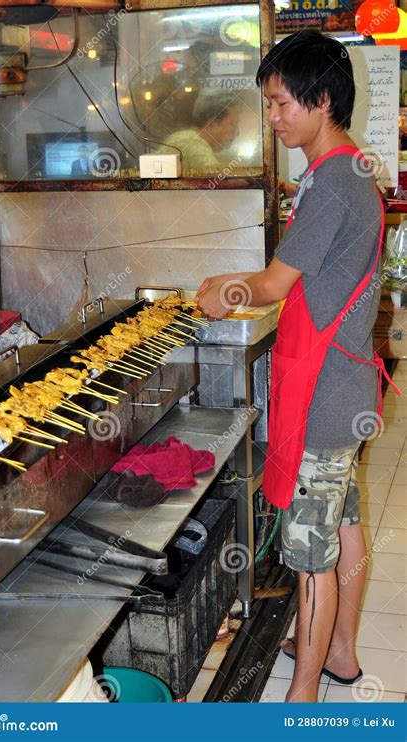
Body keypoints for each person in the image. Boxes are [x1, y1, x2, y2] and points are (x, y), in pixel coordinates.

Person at [196, 31, 398, 703]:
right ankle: (337, 651)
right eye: (270, 103)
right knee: (343, 522)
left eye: (282, 103)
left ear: (319, 99)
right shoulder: (342, 168)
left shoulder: (335, 181)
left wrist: (220, 290)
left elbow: (275, 286)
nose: (274, 116)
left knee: (310, 556)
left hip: (325, 394)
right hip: (346, 387)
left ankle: (302, 695)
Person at [162, 91, 240, 173]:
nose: (237, 133)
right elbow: (219, 181)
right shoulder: (194, 143)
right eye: (233, 125)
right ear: (213, 123)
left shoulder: (185, 138)